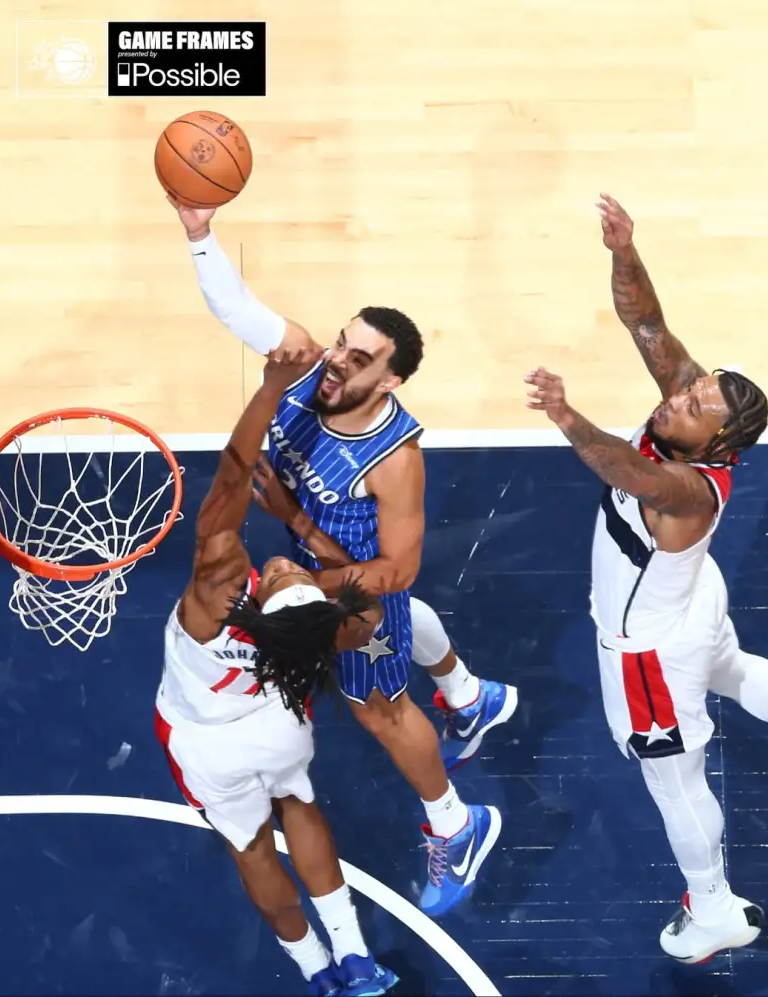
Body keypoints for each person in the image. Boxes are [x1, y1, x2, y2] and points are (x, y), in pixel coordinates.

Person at [166, 195, 518, 917]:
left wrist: (301, 570)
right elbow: (239, 308)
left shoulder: (396, 460)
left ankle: (458, 823)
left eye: (359, 359)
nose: (336, 362)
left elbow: (398, 573)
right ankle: (466, 694)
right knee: (397, 654)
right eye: (340, 342)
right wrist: (201, 236)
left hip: (355, 588)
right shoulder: (307, 368)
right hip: (311, 552)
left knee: (377, 706)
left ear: (388, 381)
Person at [524, 193, 768, 966]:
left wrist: (566, 415)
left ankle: (712, 907)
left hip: (649, 654)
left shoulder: (686, 488)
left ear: (719, 439)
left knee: (676, 784)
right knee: (734, 670)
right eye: (688, 388)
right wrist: (623, 250)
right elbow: (645, 321)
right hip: (694, 606)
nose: (676, 396)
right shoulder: (690, 414)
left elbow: (627, 467)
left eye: (694, 402)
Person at [155, 346, 398, 997]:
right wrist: (311, 543)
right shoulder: (329, 633)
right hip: (280, 725)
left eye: (287, 574)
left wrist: (269, 391)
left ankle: (315, 967)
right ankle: (356, 958)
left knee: (251, 846)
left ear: (262, 600)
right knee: (298, 799)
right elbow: (369, 610)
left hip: (206, 740)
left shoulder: (217, 593)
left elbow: (231, 484)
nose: (287, 566)